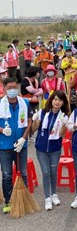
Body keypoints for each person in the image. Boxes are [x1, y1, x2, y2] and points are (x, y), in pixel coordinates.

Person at [32, 91, 70, 210]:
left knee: (53, 172)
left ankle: (54, 194)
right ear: (51, 100)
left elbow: (61, 135)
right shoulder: (43, 113)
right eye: (55, 99)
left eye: (60, 100)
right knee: (46, 172)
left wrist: (64, 125)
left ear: (63, 102)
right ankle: (47, 198)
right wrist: (35, 120)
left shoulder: (63, 116)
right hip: (41, 149)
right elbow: (33, 130)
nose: (57, 102)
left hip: (55, 149)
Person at [0, 77, 33, 213]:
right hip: (4, 145)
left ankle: (23, 199)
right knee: (7, 174)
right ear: (4, 88)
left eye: (14, 87)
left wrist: (23, 139)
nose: (12, 90)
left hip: (21, 145)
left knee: (23, 173)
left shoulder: (24, 103)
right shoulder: (0, 103)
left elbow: (29, 122)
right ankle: (8, 201)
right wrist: (2, 130)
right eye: (9, 88)